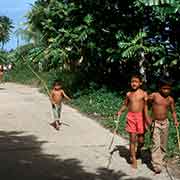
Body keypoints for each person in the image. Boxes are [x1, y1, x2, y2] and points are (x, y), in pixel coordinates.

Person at [117, 74, 148, 168]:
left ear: (140, 83)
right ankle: (133, 159)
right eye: (132, 81)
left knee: (141, 140)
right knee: (132, 140)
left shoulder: (143, 93)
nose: (134, 83)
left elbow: (146, 107)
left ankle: (138, 150)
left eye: (136, 81)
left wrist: (148, 120)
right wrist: (120, 111)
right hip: (131, 117)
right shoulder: (128, 94)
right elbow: (125, 105)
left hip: (141, 118)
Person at [149, 78, 179, 174]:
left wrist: (175, 120)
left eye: (168, 89)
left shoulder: (170, 99)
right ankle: (157, 165)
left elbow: (173, 111)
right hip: (156, 123)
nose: (166, 91)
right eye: (164, 88)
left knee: (163, 144)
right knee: (156, 144)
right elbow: (145, 102)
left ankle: (161, 160)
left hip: (165, 123)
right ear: (160, 88)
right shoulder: (154, 95)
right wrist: (147, 117)